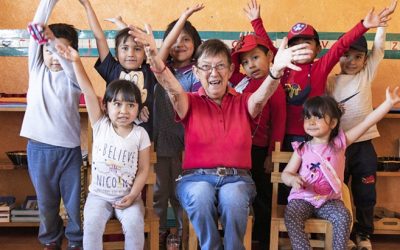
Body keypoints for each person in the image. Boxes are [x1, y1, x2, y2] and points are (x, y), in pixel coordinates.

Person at [129, 22, 312, 250]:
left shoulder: (244, 100)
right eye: (206, 67)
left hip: (237, 178)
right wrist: (154, 56)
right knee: (201, 194)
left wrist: (275, 72)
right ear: (196, 72)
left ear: (231, 70)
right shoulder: (189, 101)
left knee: (233, 197)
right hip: (196, 178)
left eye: (220, 66)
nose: (213, 73)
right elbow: (171, 87)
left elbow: (260, 98)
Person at [250, 1, 394, 204]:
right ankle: (288, 225)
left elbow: (340, 46)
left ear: (318, 48)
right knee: (284, 185)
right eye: (294, 44)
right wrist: (256, 21)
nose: (300, 48)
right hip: (283, 137)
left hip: (316, 138)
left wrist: (364, 25)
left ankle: (318, 223)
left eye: (306, 43)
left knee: (315, 182)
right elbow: (271, 48)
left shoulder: (320, 69)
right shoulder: (283, 69)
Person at [106, 6, 204, 246]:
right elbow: (138, 46)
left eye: (186, 39)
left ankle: (182, 234)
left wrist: (184, 17)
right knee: (158, 193)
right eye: (175, 39)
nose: (179, 44)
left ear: (195, 43)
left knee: (181, 192)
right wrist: (122, 25)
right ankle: (158, 232)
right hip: (157, 142)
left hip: (186, 145)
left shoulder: (196, 72)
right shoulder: (157, 67)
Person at [56, 43, 151, 250]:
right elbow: (88, 91)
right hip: (98, 196)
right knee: (90, 226)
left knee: (135, 224)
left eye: (131, 105)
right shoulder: (100, 125)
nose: (123, 110)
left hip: (129, 195)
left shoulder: (140, 134)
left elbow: (144, 169)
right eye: (117, 104)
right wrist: (76, 61)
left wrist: (133, 195)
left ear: (138, 109)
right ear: (105, 106)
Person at [281, 88, 400, 250]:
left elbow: (366, 123)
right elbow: (286, 173)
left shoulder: (339, 144)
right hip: (303, 198)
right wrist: (292, 179)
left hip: (329, 200)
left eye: (318, 117)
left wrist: (387, 104)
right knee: (292, 215)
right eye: (307, 117)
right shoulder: (302, 148)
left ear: (333, 123)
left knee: (344, 216)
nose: (311, 121)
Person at [327, 1, 397, 248]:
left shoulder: (366, 74)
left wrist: (382, 25)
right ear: (339, 56)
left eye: (358, 57)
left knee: (365, 193)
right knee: (337, 192)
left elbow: (378, 48)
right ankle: (341, 233)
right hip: (338, 146)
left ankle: (364, 234)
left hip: (364, 144)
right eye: (347, 55)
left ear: (365, 59)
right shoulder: (329, 82)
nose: (352, 61)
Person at [19, 0, 83, 249]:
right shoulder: (36, 70)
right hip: (39, 150)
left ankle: (76, 241)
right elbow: (37, 31)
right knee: (46, 204)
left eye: (61, 51)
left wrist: (55, 43)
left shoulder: (73, 77)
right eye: (49, 51)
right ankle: (51, 241)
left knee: (73, 204)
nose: (54, 56)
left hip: (69, 152)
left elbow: (67, 61)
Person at [230, 17, 286, 250]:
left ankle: (263, 240)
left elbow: (279, 123)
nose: (251, 64)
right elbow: (226, 73)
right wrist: (234, 49)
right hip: (239, 150)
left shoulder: (276, 86)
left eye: (255, 57)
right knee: (239, 192)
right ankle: (240, 235)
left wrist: (271, 155)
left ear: (270, 57)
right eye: (245, 61)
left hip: (261, 150)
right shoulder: (242, 82)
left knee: (262, 197)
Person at [78, 0, 157, 138]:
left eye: (137, 49)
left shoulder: (150, 71)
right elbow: (99, 37)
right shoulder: (112, 69)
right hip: (113, 136)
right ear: (116, 52)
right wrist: (87, 5)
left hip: (143, 138)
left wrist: (151, 45)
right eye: (125, 49)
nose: (131, 54)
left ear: (145, 54)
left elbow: (158, 54)